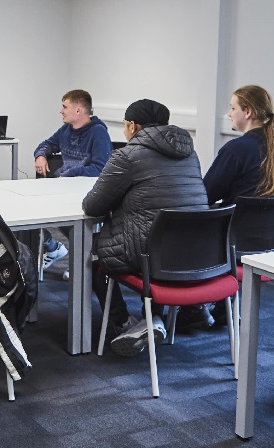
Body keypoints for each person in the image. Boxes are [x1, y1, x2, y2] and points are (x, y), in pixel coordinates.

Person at [80, 99, 209, 356]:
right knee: (151, 238)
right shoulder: (190, 155)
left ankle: (123, 323)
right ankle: (156, 318)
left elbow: (92, 206)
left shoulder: (127, 156)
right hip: (196, 254)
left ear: (132, 126)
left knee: (95, 259)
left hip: (151, 257)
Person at [191, 84, 274, 330]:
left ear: (248, 112)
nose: (229, 114)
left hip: (235, 246)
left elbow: (204, 195)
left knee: (188, 227)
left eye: (232, 108)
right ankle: (222, 309)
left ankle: (193, 309)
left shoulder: (236, 149)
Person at [31, 89, 111, 276]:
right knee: (33, 212)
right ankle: (54, 247)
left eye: (65, 106)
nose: (61, 110)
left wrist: (70, 173)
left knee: (69, 224)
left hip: (86, 192)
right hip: (63, 188)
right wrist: (41, 155)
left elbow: (100, 169)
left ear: (78, 110)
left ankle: (82, 262)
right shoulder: (66, 130)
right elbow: (46, 144)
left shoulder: (98, 133)